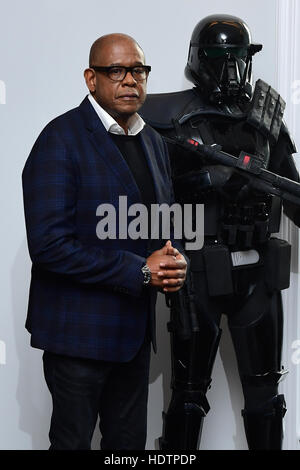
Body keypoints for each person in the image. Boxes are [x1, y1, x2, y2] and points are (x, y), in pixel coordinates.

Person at [140, 15, 300, 450]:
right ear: (199, 58)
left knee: (266, 395)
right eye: (217, 57)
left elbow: (291, 189)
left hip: (258, 275)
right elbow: (149, 197)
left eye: (238, 58)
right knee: (189, 396)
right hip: (198, 273)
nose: (230, 69)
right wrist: (207, 180)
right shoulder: (170, 118)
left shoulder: (265, 123)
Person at [22, 33, 187, 450]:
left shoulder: (153, 142)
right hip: (78, 334)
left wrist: (171, 263)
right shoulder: (59, 139)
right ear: (91, 79)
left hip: (133, 336)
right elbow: (48, 248)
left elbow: (157, 225)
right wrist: (141, 270)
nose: (130, 80)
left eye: (138, 71)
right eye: (116, 71)